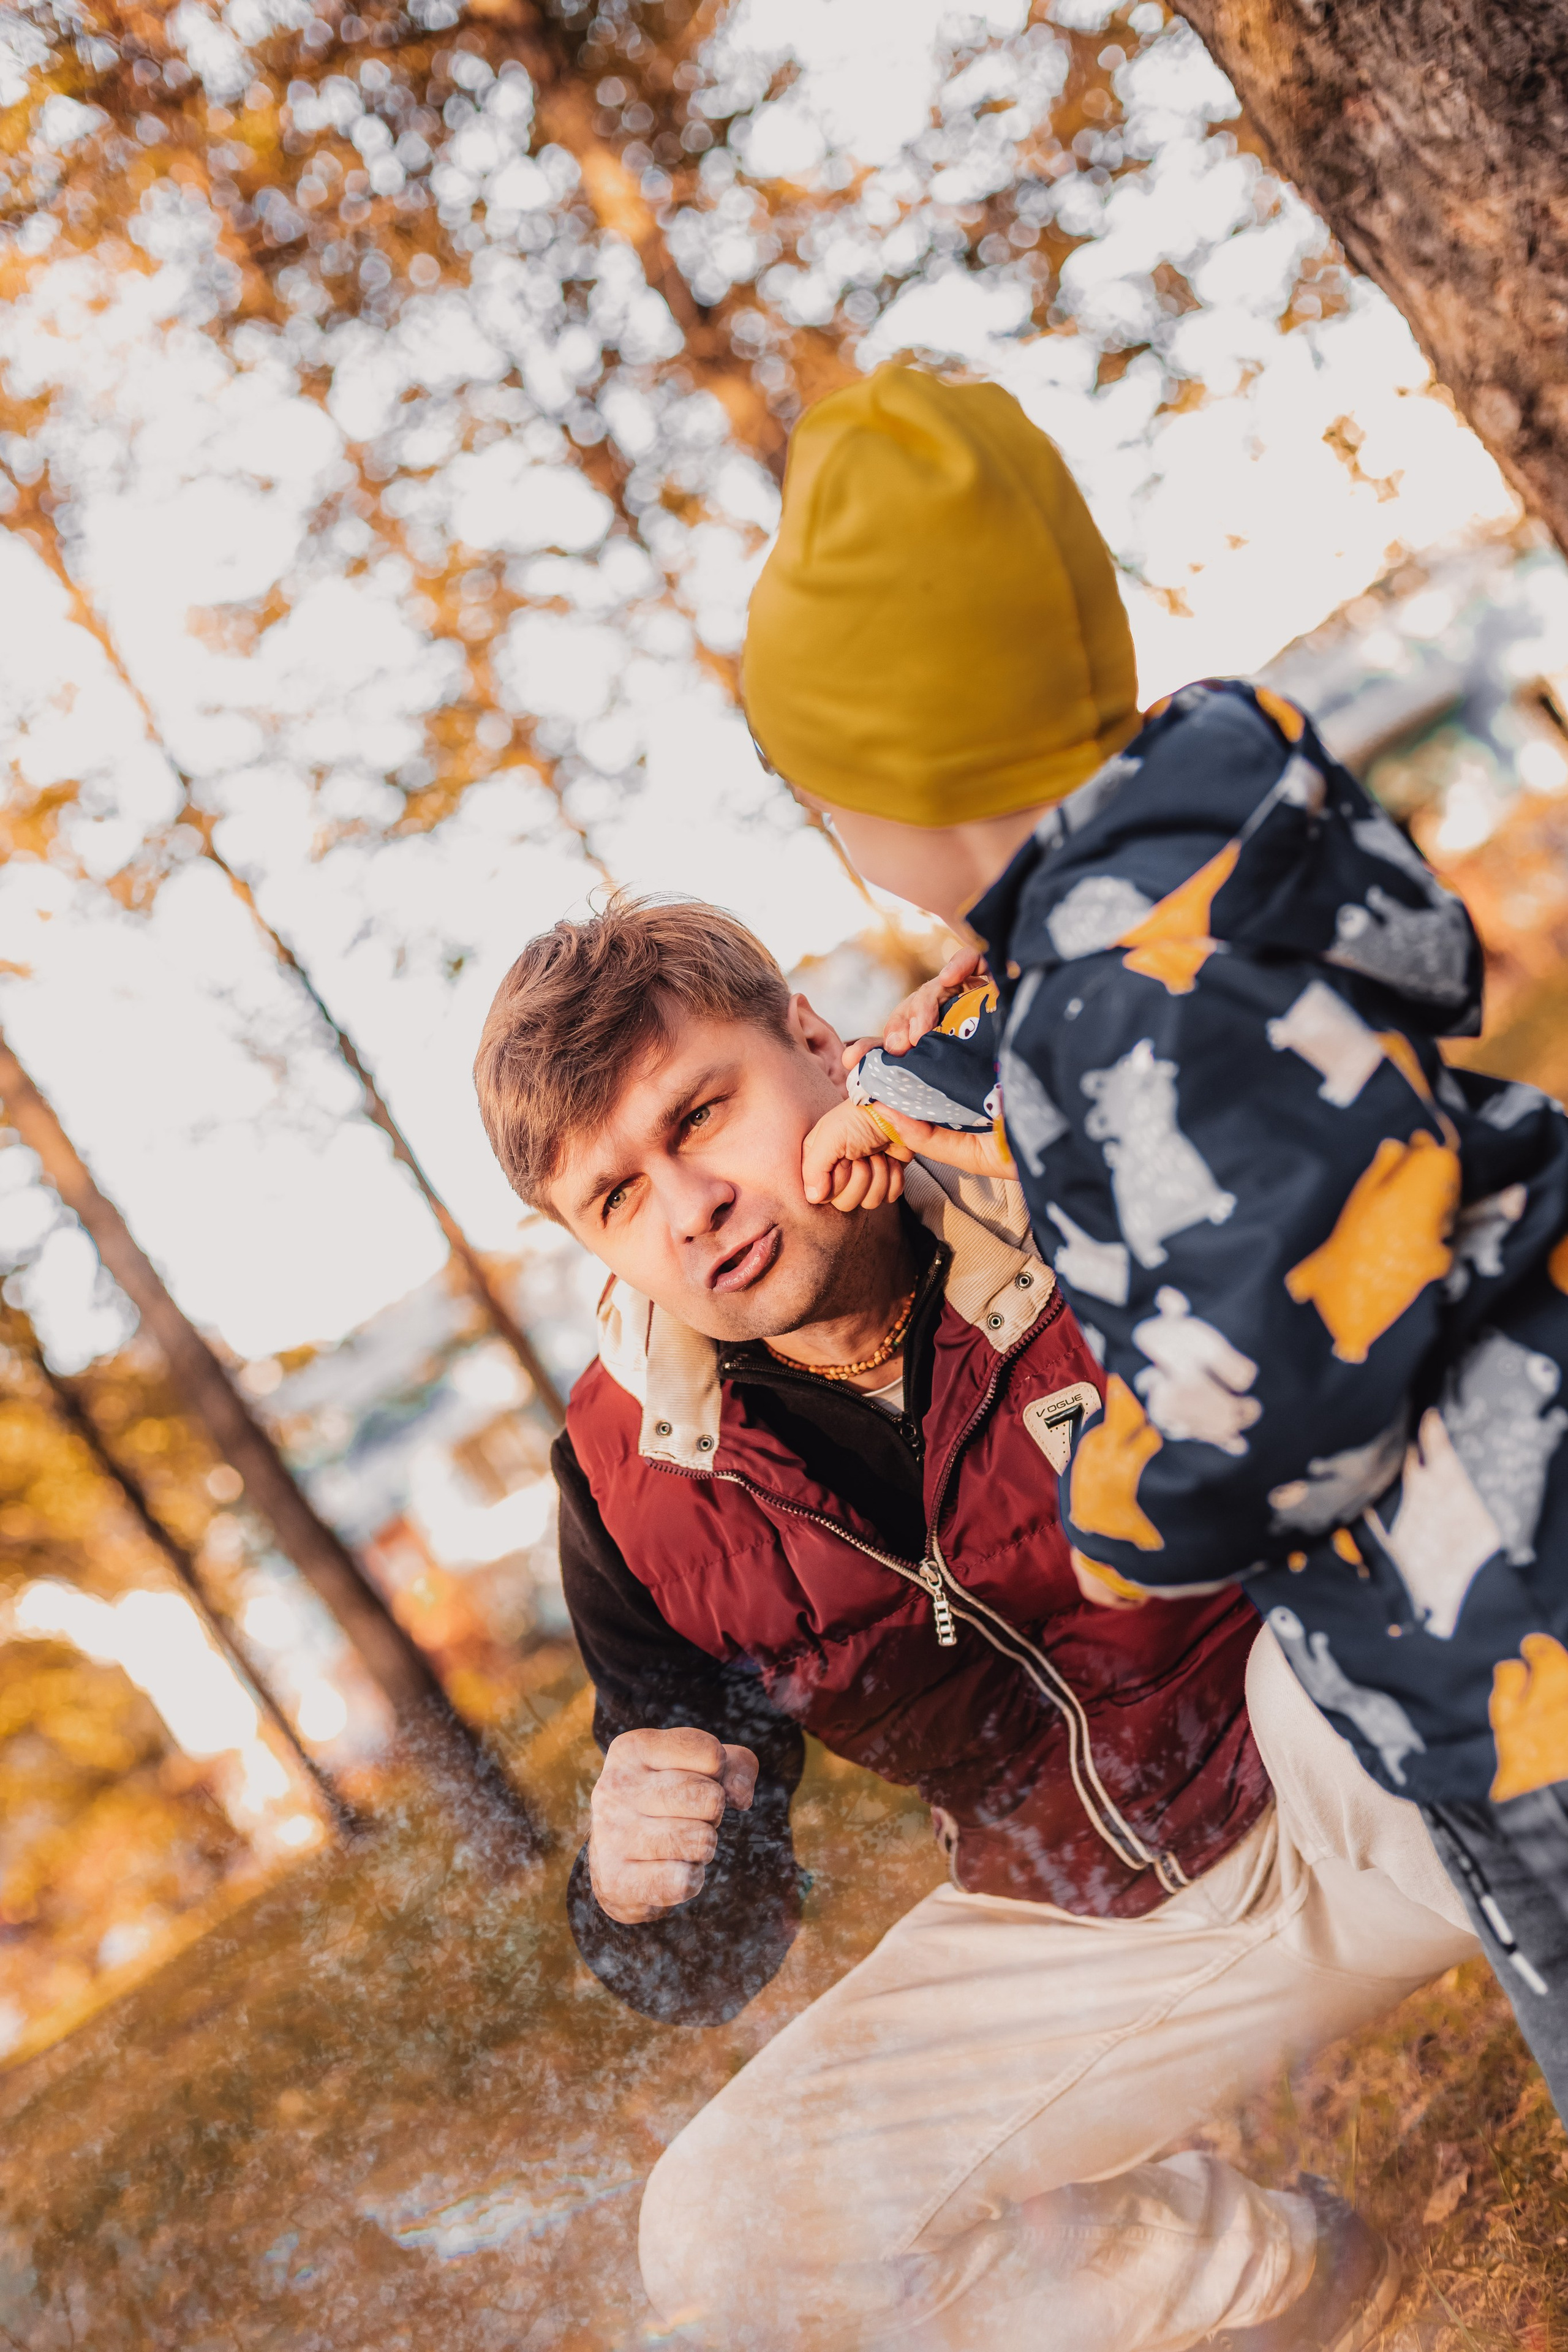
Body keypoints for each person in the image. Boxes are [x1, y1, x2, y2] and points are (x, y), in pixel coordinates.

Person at [472, 895, 1478, 2351]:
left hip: (1351, 1765)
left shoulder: (1041, 1128)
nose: (689, 1206)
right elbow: (719, 1943)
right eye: (617, 1197)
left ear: (814, 1045)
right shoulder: (633, 1475)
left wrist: (1045, 1117)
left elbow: (1410, 1249)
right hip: (1077, 1929)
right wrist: (641, 1891)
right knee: (720, 2232)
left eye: (702, 1115)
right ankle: (1253, 2276)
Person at [743, 359, 1568, 2109]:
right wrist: (894, 1091)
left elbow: (1276, 1388)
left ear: (904, 790)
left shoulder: (1114, 1018)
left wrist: (1129, 1500)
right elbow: (1104, 1090)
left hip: (1498, 1600)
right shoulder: (1194, 867)